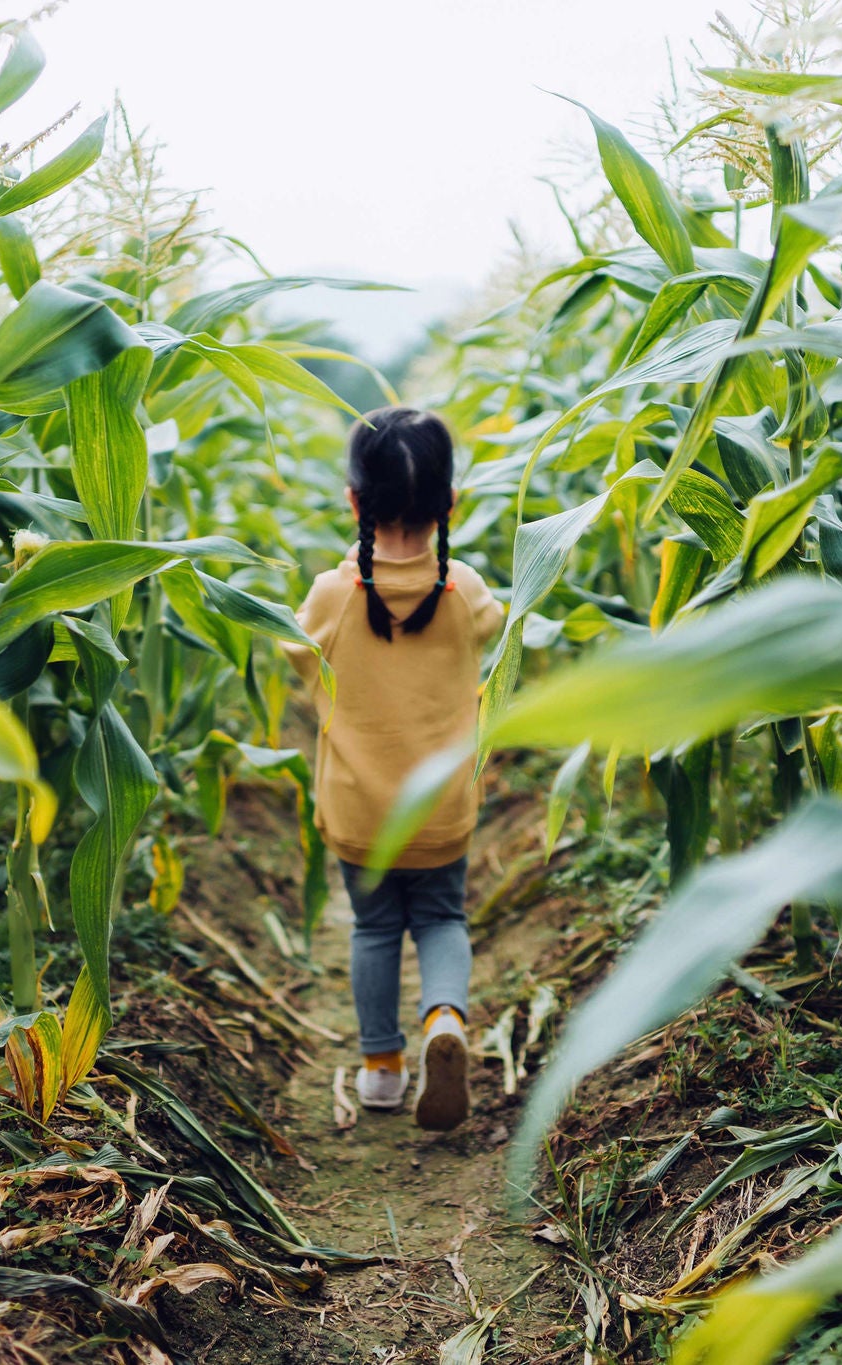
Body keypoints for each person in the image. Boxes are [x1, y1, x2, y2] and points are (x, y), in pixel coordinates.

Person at [281, 407, 506, 1131]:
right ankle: (444, 1014)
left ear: (354, 502)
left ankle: (382, 1069)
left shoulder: (330, 595)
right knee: (442, 915)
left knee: (374, 929)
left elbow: (294, 654)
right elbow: (496, 626)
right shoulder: (463, 590)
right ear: (452, 504)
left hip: (359, 811)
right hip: (441, 806)